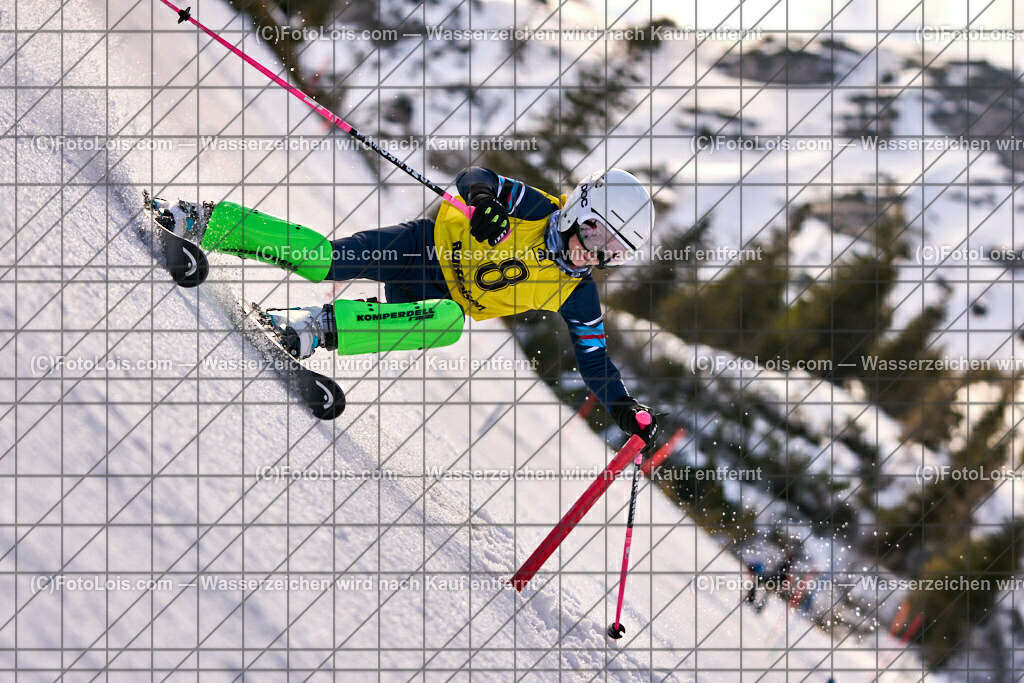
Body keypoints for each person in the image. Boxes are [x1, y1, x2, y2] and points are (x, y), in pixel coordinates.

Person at [151, 167, 659, 444]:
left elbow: (594, 359)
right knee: (324, 261)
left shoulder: (578, 292)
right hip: (417, 247)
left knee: (449, 323)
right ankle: (203, 221)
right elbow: (474, 178)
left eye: (612, 250)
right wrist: (484, 205)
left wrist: (621, 404)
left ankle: (311, 329)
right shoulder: (534, 208)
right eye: (595, 231)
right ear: (579, 209)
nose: (592, 251)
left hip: (430, 300)